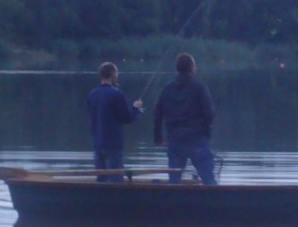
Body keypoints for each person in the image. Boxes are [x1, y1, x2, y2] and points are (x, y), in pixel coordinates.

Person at [153, 53, 217, 185]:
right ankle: (216, 202)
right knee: (208, 179)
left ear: (177, 68)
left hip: (175, 139)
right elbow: (209, 114)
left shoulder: (167, 89)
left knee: (174, 180)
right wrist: (207, 130)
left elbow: (158, 113)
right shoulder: (200, 89)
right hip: (197, 138)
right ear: (192, 68)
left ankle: (172, 203)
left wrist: (157, 136)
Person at [87, 62, 143, 182]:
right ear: (112, 75)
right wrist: (136, 109)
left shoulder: (92, 95)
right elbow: (126, 118)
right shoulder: (116, 94)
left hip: (97, 143)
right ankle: (116, 199)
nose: (117, 77)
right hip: (113, 145)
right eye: (116, 74)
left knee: (101, 180)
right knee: (115, 180)